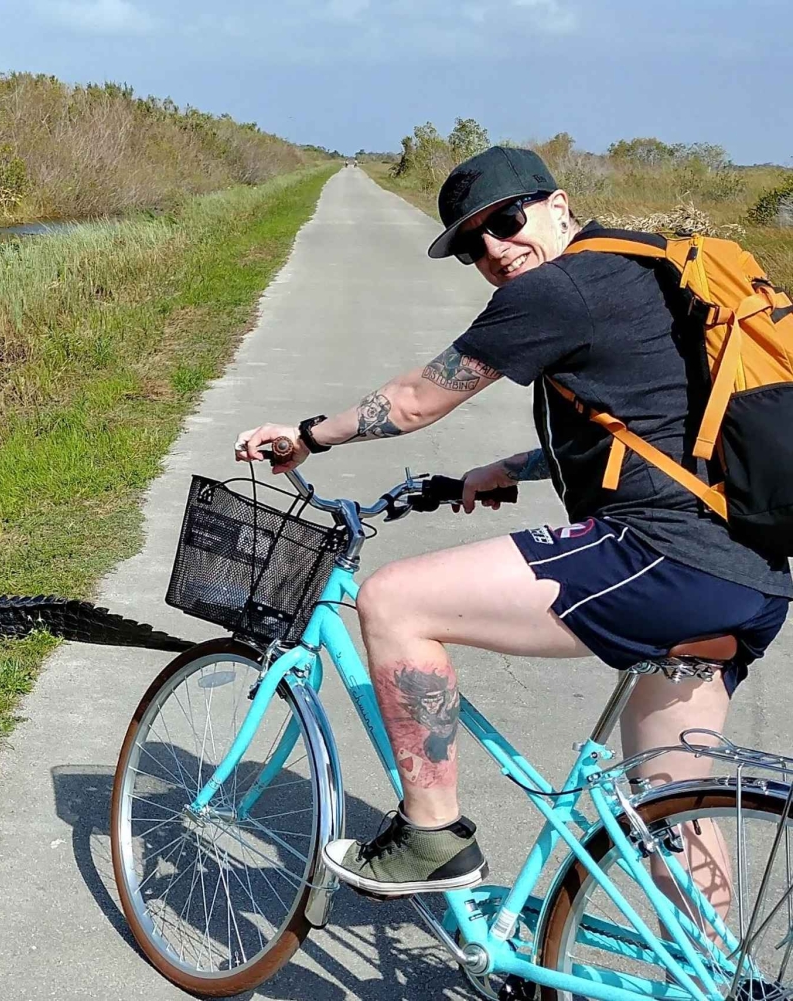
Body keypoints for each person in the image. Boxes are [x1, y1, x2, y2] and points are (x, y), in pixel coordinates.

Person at [235, 146, 791, 898]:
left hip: (660, 557)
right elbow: (659, 424)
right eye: (471, 245)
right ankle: (719, 977)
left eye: (506, 221)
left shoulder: (558, 290)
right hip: (743, 581)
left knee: (394, 600)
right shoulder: (648, 269)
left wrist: (305, 436)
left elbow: (412, 402)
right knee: (665, 810)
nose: (494, 250)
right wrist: (510, 468)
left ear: (557, 205)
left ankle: (431, 835)